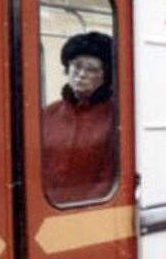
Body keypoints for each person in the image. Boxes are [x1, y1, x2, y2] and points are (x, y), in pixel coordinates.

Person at [41, 32, 117, 204]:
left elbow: (109, 180)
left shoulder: (115, 117)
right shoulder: (47, 114)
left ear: (105, 76)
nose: (81, 74)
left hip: (88, 214)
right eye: (76, 66)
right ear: (67, 68)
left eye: (92, 69)